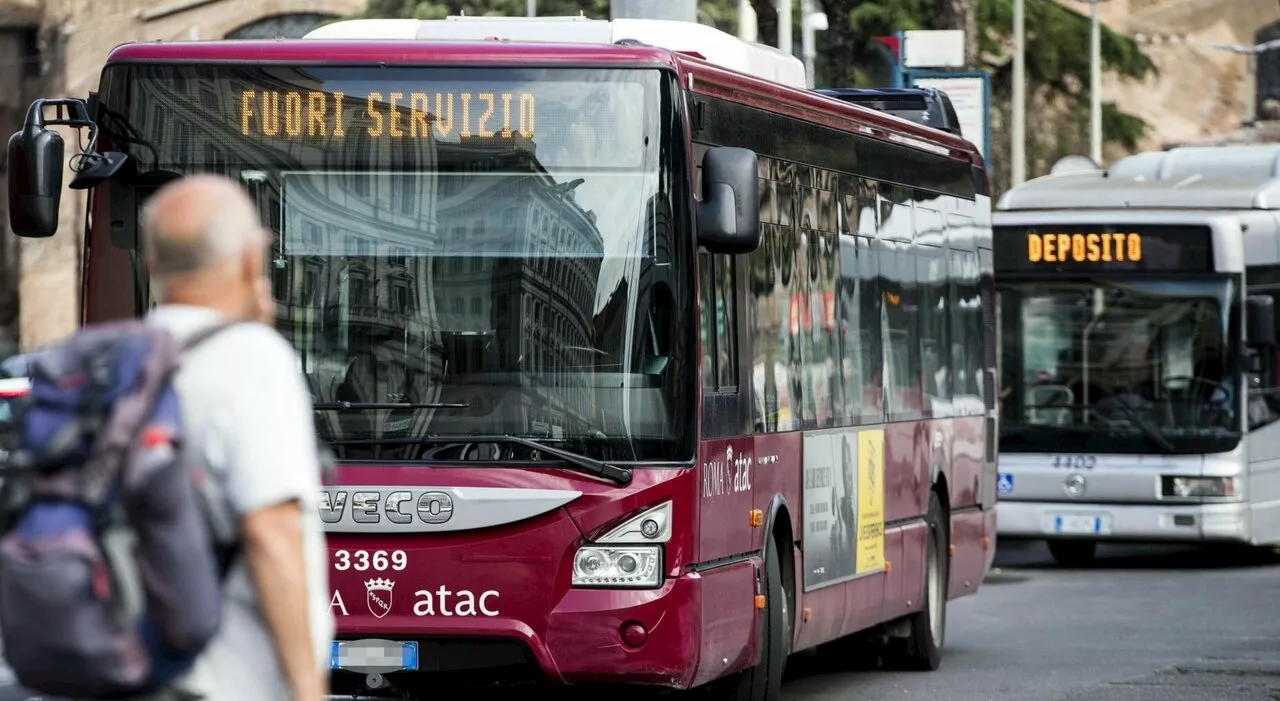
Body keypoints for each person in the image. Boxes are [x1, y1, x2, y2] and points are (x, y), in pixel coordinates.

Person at [139, 175, 332, 701]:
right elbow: (271, 534)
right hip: (227, 683)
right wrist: (308, 691)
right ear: (251, 261)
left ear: (152, 268)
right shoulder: (251, 358)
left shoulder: (123, 357)